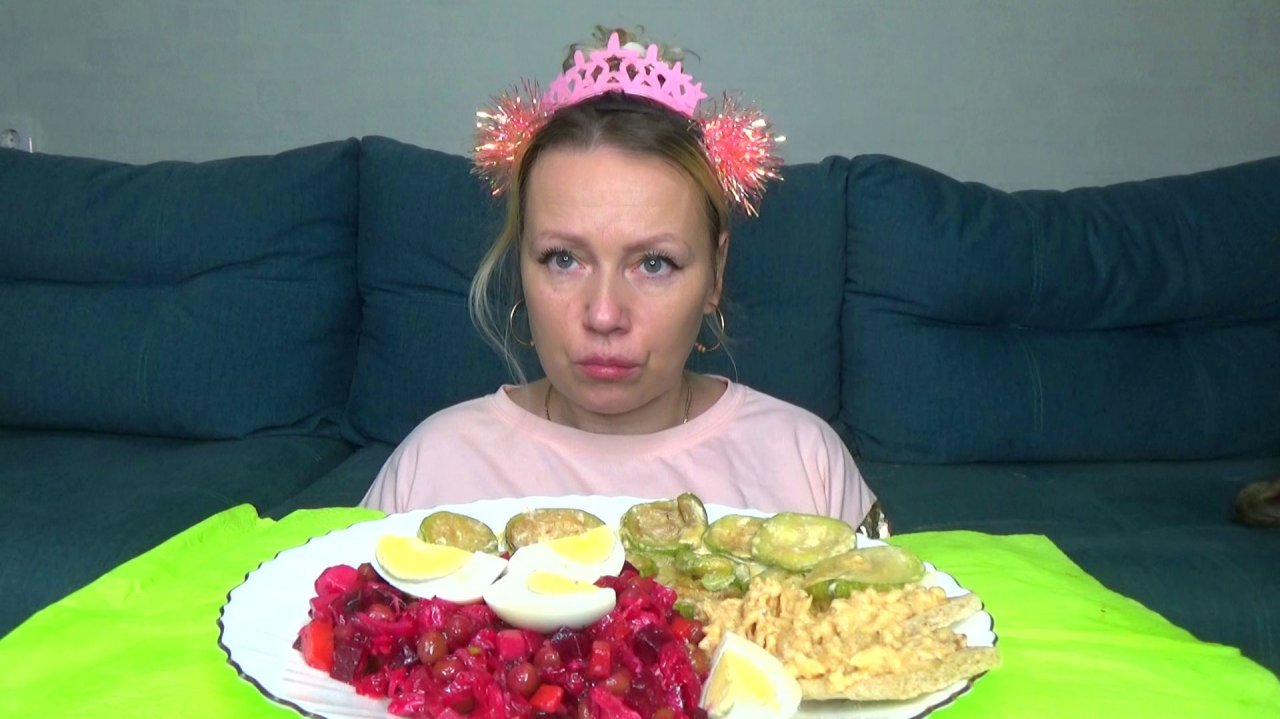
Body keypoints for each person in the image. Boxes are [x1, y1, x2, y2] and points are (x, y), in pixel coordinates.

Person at [362, 27, 882, 532]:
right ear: (520, 263)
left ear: (715, 273)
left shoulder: (806, 464)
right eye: (563, 259)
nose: (604, 315)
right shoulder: (432, 467)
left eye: (654, 263)